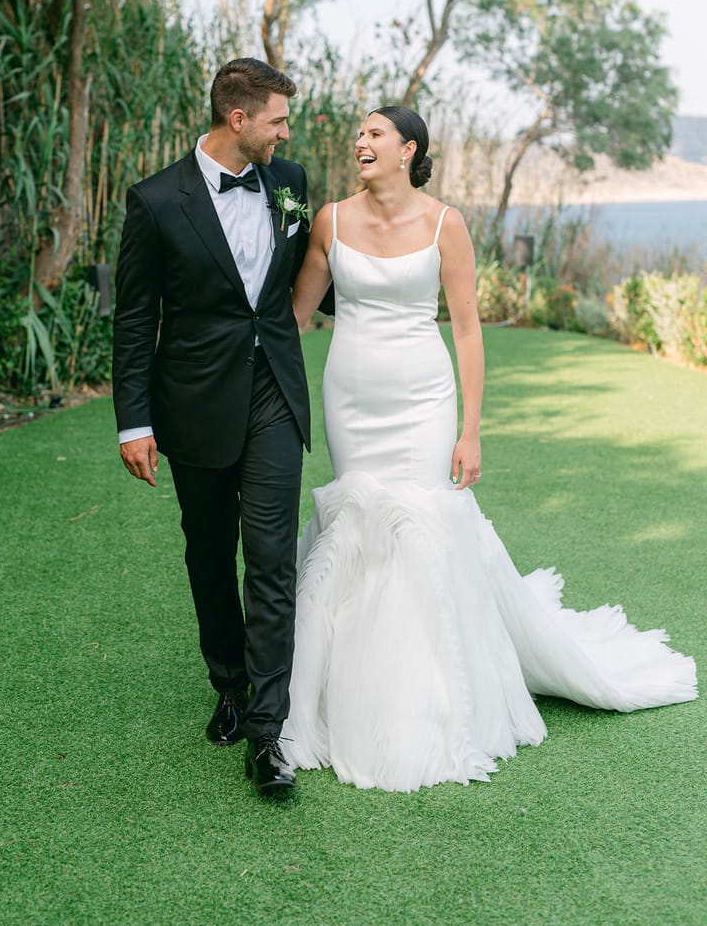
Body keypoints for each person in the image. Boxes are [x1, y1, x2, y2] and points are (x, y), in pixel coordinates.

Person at [281, 105, 697, 793]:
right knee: (360, 520)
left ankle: (431, 702)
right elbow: (296, 317)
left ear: (408, 149)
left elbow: (468, 330)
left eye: (374, 133)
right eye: (358, 133)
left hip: (422, 398)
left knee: (420, 524)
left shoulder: (447, 224)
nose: (360, 141)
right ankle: (348, 688)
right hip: (351, 397)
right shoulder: (328, 219)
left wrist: (471, 429)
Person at [112, 57, 312, 796]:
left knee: (270, 555)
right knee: (208, 552)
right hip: (192, 399)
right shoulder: (157, 200)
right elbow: (135, 319)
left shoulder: (289, 182)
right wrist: (134, 421)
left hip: (274, 396)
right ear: (239, 120)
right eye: (278, 120)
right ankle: (227, 683)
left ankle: (267, 732)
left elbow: (301, 275)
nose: (286, 133)